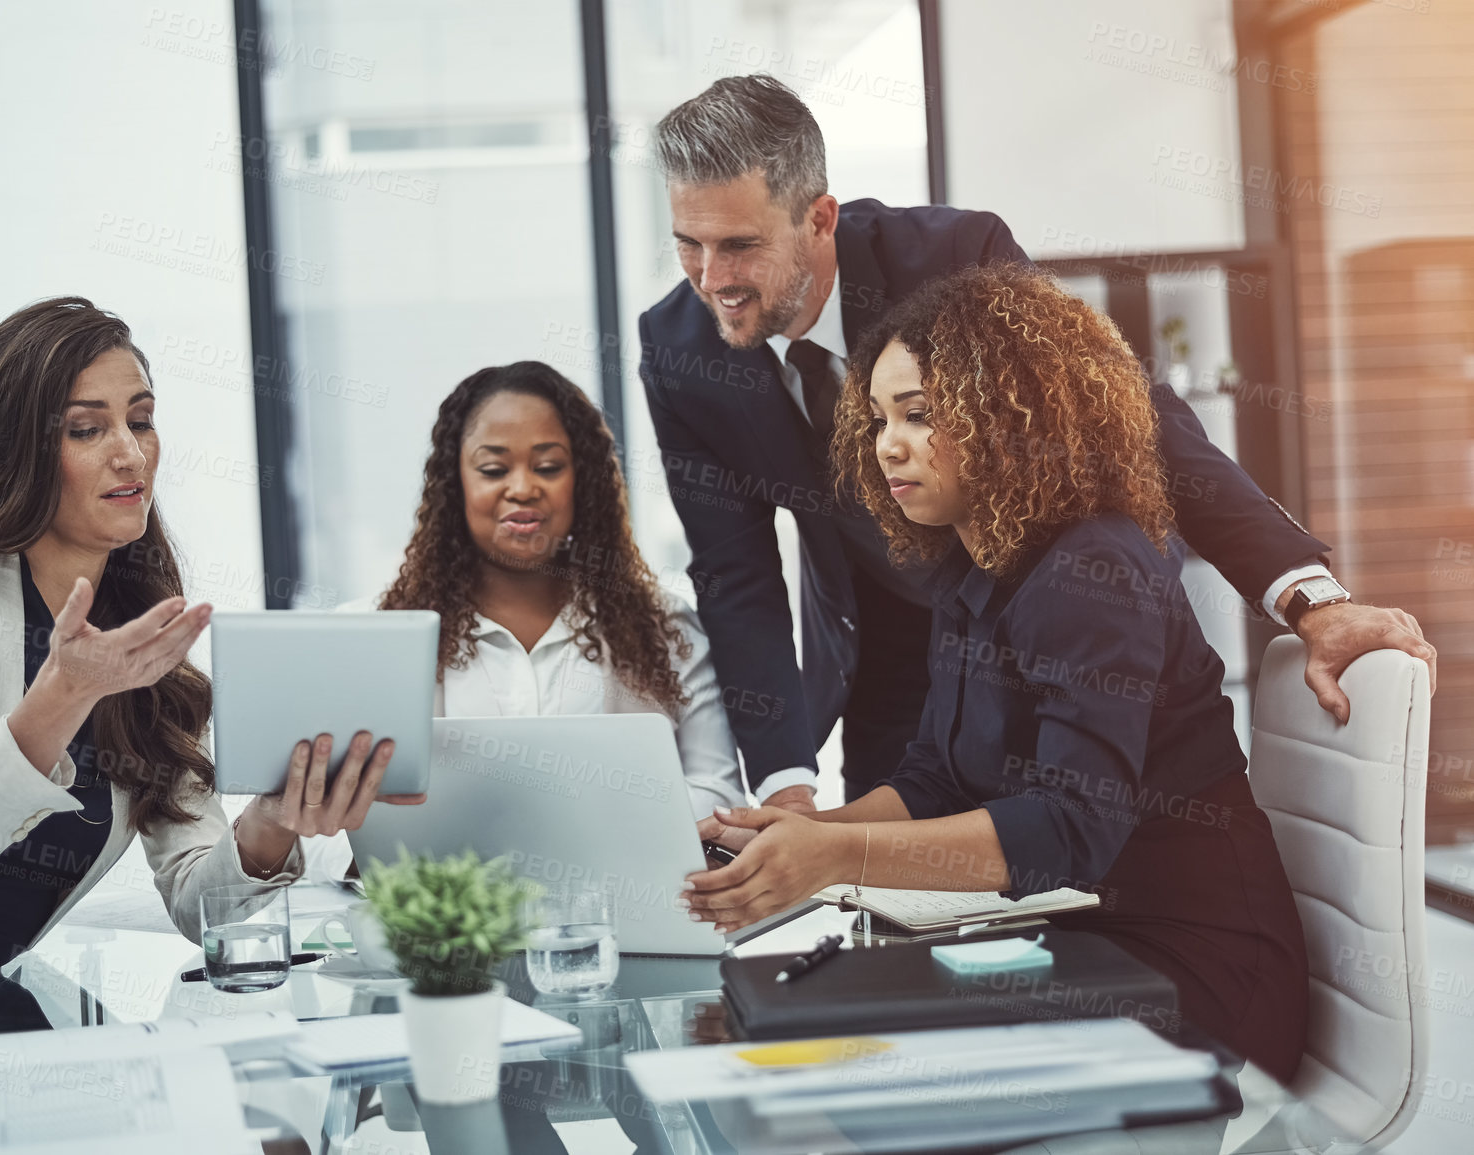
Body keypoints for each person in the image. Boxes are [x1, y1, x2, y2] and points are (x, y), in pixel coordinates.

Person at [641, 74, 1435, 811]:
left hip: (1051, 630)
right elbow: (734, 575)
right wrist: (784, 780)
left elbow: (1135, 419)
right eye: (688, 244)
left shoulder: (949, 259)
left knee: (1068, 868)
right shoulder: (680, 352)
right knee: (900, 917)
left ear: (819, 217)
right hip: (886, 661)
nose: (710, 279)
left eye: (738, 246)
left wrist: (1309, 597)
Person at [0, 297, 418, 1155]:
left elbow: (200, 904)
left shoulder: (142, 640)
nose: (130, 452)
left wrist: (270, 821)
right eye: (86, 429)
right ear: (18, 445)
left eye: (140, 419)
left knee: (268, 1127)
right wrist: (60, 696)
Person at [688, 264, 1311, 1079]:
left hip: (1198, 970)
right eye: (878, 418)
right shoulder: (973, 564)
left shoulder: (1094, 569)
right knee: (807, 1028)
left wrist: (835, 861)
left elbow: (1069, 831)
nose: (888, 445)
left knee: (856, 1057)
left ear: (1012, 413)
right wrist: (801, 834)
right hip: (1090, 942)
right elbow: (936, 779)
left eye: (918, 415)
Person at [359, 360, 745, 823]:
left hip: (617, 893)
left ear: (581, 481)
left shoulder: (664, 625)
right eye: (493, 469)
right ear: (454, 483)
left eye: (548, 466)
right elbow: (330, 826)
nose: (522, 488)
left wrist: (579, 822)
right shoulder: (383, 634)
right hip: (451, 895)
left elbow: (719, 794)